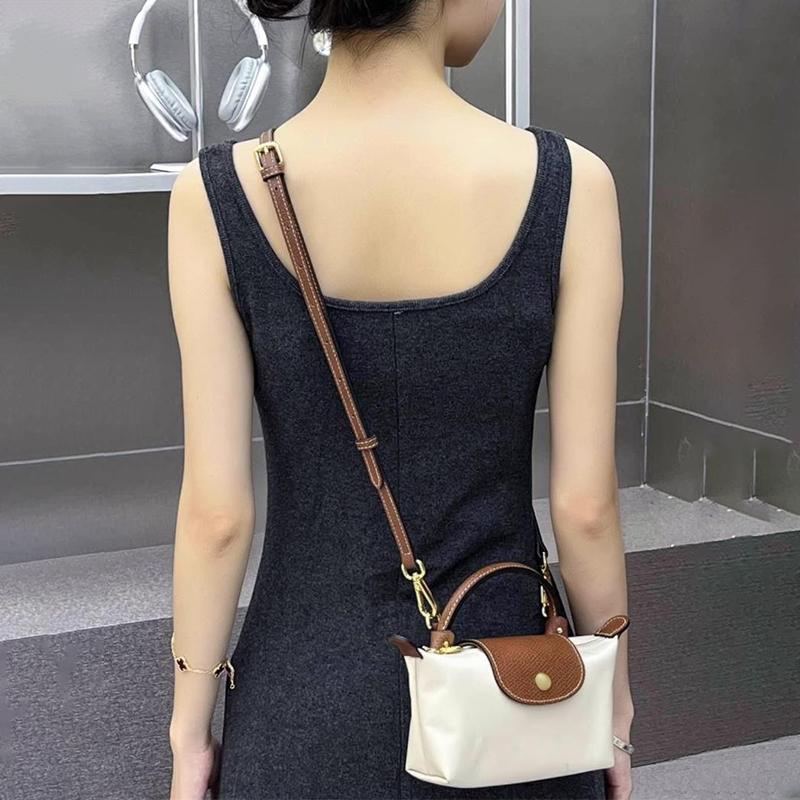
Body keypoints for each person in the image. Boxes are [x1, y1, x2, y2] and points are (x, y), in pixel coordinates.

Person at [165, 1, 633, 798]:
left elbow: (217, 516)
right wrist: (612, 710)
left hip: (303, 701)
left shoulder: (215, 194)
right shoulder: (572, 185)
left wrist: (189, 731)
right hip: (511, 696)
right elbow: (584, 507)